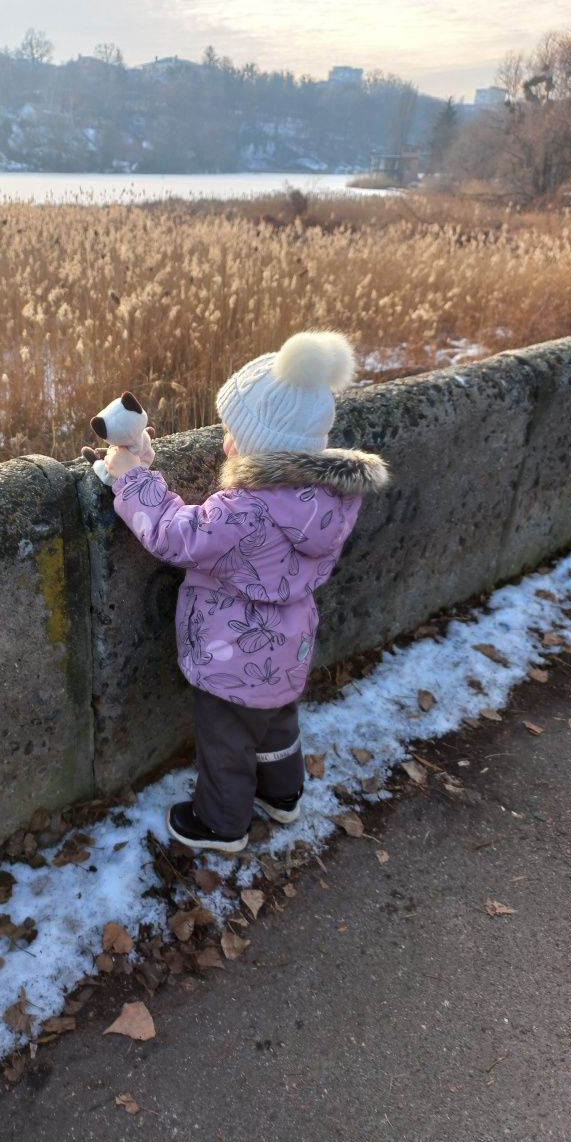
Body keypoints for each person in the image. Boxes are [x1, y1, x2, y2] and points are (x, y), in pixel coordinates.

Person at [103, 331, 390, 852]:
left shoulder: (244, 510)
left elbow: (177, 535)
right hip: (290, 642)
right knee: (276, 719)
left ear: (263, 446)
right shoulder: (329, 499)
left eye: (233, 433)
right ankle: (283, 795)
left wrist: (132, 480)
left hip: (233, 653)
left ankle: (220, 822)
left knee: (227, 741)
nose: (224, 442)